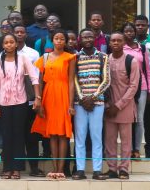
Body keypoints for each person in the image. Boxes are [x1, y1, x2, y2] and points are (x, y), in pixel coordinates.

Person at [0, 34, 41, 180]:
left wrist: (37, 98)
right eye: (6, 42)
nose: (9, 45)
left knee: (18, 135)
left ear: (16, 44)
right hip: (3, 104)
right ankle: (7, 168)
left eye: (11, 42)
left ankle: (17, 169)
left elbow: (34, 78)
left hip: (21, 103)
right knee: (7, 136)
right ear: (2, 45)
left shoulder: (24, 59)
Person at [31, 29, 76, 180]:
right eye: (56, 38)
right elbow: (38, 81)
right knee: (52, 135)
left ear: (66, 41)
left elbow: (71, 82)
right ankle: (54, 168)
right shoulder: (45, 57)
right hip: (49, 96)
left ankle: (61, 170)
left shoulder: (70, 57)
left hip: (63, 95)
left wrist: (71, 104)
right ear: (52, 40)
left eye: (62, 39)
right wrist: (39, 102)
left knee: (63, 134)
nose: (59, 41)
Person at [72, 28, 110, 181]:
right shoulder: (75, 57)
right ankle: (80, 170)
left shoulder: (103, 57)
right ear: (80, 39)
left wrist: (92, 97)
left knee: (96, 136)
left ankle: (97, 170)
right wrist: (82, 98)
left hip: (97, 103)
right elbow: (73, 80)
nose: (87, 39)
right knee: (80, 137)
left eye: (90, 37)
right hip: (79, 103)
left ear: (95, 38)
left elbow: (106, 80)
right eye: (84, 37)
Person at [103, 32, 140, 179]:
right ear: (109, 43)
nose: (116, 43)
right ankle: (112, 169)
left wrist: (118, 105)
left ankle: (124, 169)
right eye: (113, 40)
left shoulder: (132, 61)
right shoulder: (106, 60)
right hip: (108, 107)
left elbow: (133, 87)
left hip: (125, 107)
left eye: (119, 40)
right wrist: (107, 105)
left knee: (126, 141)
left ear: (124, 42)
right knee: (109, 140)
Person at [12, 25, 45, 177]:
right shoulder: (5, 53)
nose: (19, 34)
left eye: (22, 32)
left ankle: (34, 167)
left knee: (31, 136)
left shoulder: (33, 53)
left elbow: (37, 78)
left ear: (26, 35)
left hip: (30, 100)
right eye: (16, 32)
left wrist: (38, 98)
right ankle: (15, 167)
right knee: (15, 134)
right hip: (12, 101)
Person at [121, 22, 150, 160]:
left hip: (142, 87)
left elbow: (147, 70)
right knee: (127, 119)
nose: (129, 33)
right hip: (124, 88)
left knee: (139, 119)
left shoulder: (142, 49)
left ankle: (136, 149)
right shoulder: (119, 48)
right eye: (126, 31)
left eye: (131, 31)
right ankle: (126, 148)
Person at [135, 14, 150, 158]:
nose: (140, 27)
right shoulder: (130, 43)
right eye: (137, 25)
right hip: (134, 85)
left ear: (147, 26)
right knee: (135, 118)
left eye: (143, 25)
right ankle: (133, 148)